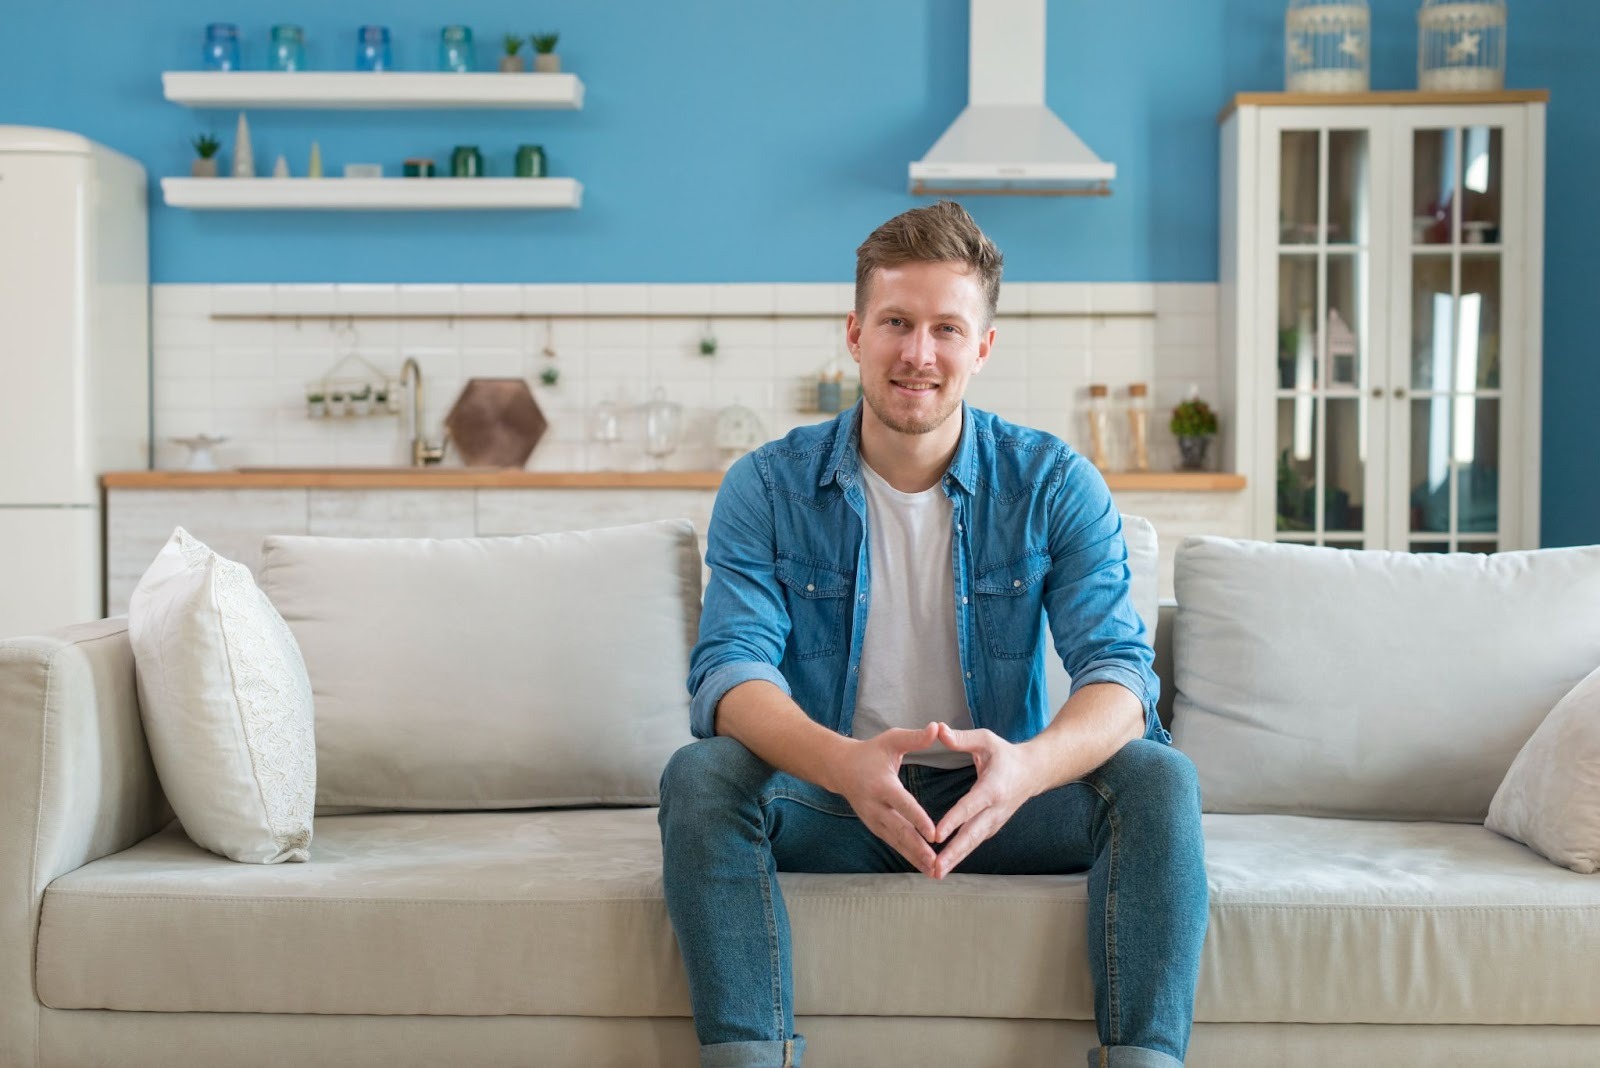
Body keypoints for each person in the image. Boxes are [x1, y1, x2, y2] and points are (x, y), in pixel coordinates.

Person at [658, 201, 1208, 1068]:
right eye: (897, 324)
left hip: (1004, 803)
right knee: (703, 777)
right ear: (855, 333)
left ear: (982, 347)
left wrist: (1023, 771)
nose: (919, 354)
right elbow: (731, 672)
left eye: (947, 328)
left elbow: (1120, 676)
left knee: (1156, 780)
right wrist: (842, 762)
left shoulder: (1056, 483)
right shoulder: (766, 487)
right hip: (834, 798)